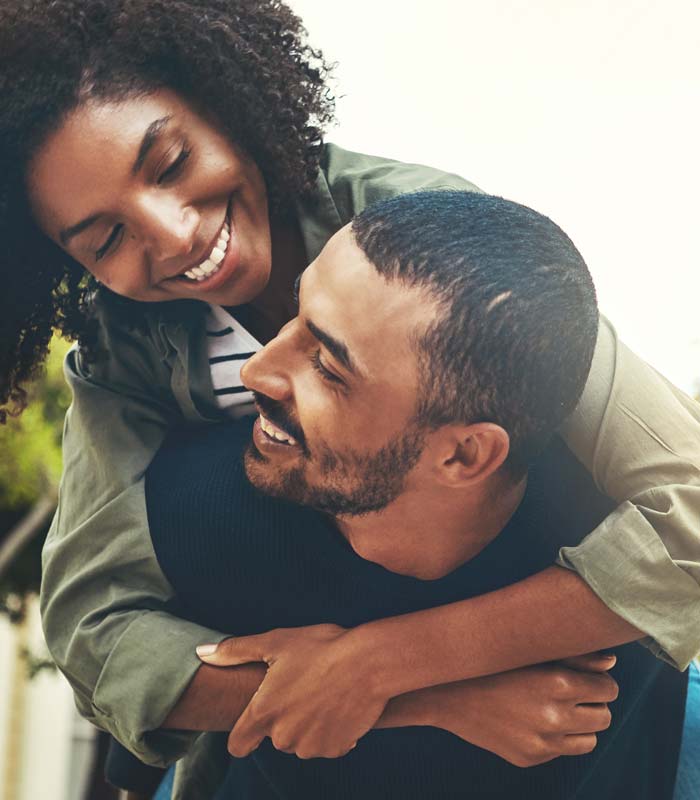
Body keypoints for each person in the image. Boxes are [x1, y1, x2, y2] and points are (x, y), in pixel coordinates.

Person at [0, 0, 696, 773]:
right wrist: (420, 699)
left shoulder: (428, 243)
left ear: (225, 105)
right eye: (106, 237)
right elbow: (96, 634)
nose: (172, 234)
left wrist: (392, 658)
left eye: (169, 165)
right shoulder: (122, 347)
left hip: (595, 729)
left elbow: (691, 514)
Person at [143, 190, 690, 799]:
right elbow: (119, 676)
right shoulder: (193, 508)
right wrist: (423, 692)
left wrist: (376, 662)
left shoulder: (614, 525)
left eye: (327, 366)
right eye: (295, 316)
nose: (256, 372)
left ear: (463, 454)